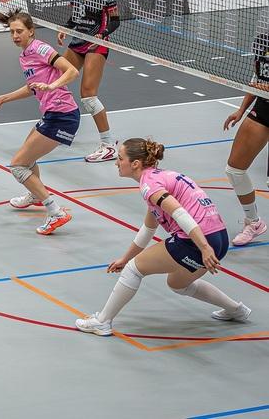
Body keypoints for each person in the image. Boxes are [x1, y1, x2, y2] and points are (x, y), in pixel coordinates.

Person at [75, 138, 250, 336]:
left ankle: (102, 321)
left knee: (134, 270)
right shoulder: (159, 178)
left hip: (196, 240)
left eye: (120, 158)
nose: (116, 162)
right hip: (219, 237)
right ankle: (236, 310)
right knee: (177, 283)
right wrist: (125, 258)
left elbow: (179, 213)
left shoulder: (149, 185)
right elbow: (148, 229)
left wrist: (203, 247)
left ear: (135, 164)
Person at [0, 8, 80, 235]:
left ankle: (56, 212)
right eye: (12, 32)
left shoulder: (40, 48)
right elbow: (32, 87)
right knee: (27, 159)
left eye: (19, 31)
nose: (15, 36)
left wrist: (52, 86)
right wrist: (3, 98)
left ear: (31, 32)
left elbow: (72, 71)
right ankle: (36, 195)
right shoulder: (25, 55)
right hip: (51, 114)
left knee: (18, 165)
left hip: (62, 115)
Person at [57, 0, 119, 164]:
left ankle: (109, 145)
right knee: (57, 80)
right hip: (78, 40)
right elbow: (75, 16)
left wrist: (101, 34)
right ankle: (62, 125)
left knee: (88, 96)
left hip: (96, 44)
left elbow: (115, 20)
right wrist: (65, 28)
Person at [222, 33, 269, 246]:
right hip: (264, 109)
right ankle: (253, 222)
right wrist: (241, 110)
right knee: (234, 170)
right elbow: (257, 78)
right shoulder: (263, 41)